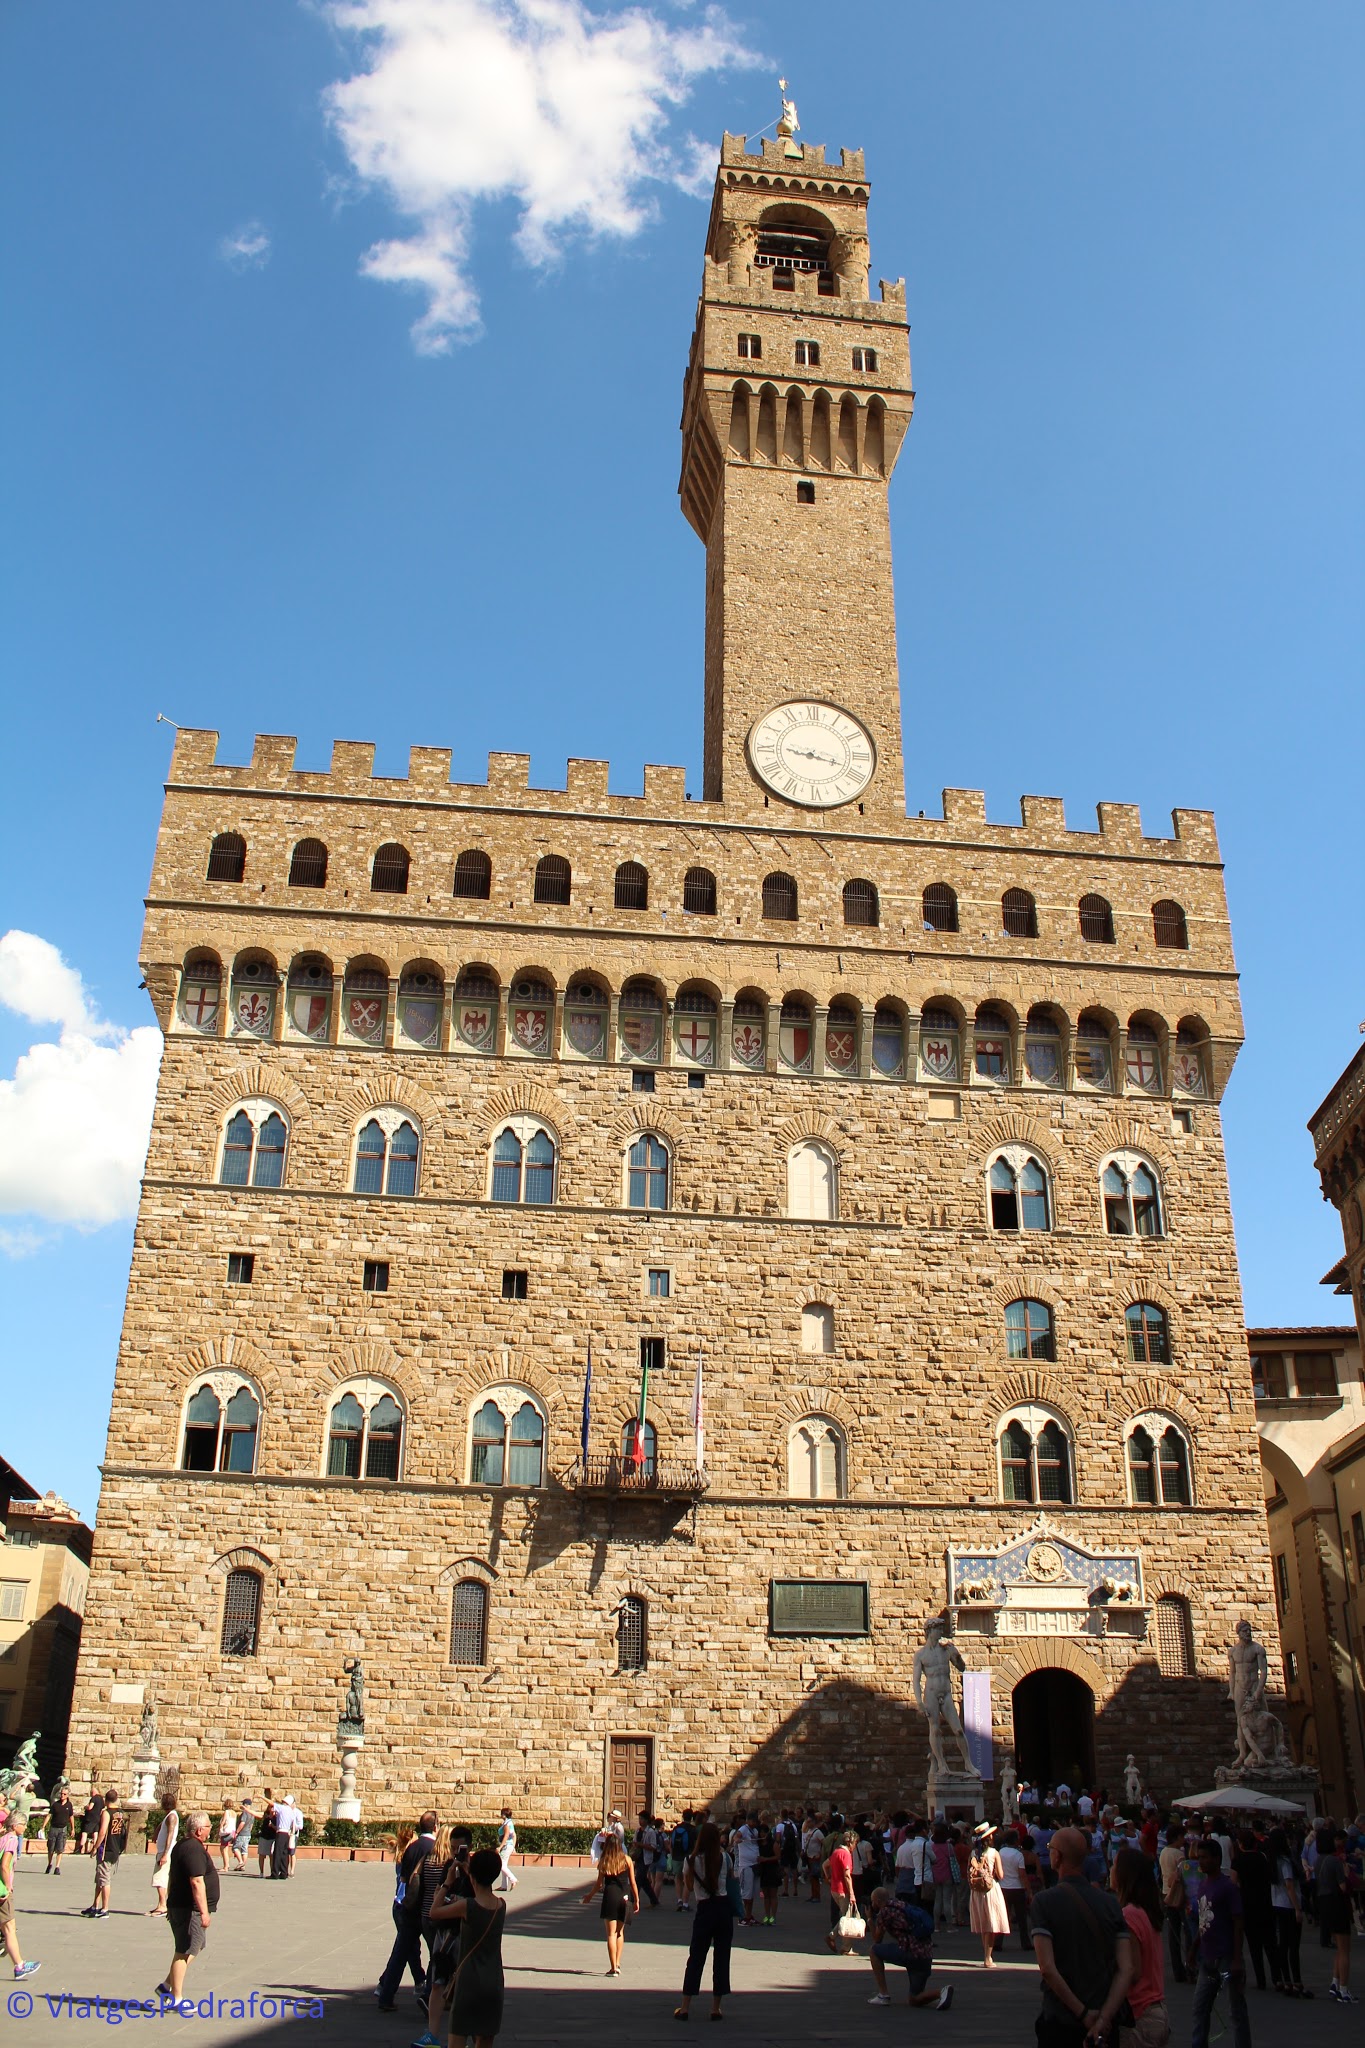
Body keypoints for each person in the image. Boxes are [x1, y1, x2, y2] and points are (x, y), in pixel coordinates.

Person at [1029, 1824, 1133, 2048]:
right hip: (1105, 2022)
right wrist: (1103, 2018)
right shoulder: (1111, 1904)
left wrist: (1084, 2013)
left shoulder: (1044, 1902)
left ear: (1056, 1856)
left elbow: (1047, 1968)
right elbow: (1126, 1969)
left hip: (1061, 2019)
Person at [425, 1846, 506, 2048]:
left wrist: (447, 1882)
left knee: (457, 2039)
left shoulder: (467, 1906)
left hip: (469, 1983)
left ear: (473, 1874)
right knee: (485, 2040)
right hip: (493, 1982)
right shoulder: (501, 1906)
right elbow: (482, 1884)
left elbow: (434, 1912)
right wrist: (471, 1871)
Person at [376, 1809, 437, 2013]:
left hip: (408, 1908)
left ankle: (386, 1995)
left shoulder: (411, 1849)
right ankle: (429, 1995)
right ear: (436, 1826)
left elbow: (403, 1880)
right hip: (428, 1909)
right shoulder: (436, 1849)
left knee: (400, 1954)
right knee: (436, 1954)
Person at [158, 1811, 219, 2013]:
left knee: (197, 1945)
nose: (211, 1830)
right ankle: (176, 1998)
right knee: (183, 1951)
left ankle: (167, 1985)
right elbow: (196, 1881)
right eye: (209, 1826)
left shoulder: (184, 1846)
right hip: (189, 1909)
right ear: (200, 1830)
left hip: (181, 1906)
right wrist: (204, 1912)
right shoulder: (192, 1849)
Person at [1190, 1838, 1249, 2048]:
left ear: (1217, 1859)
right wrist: (1195, 1946)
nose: (1201, 1862)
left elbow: (1238, 1922)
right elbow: (1205, 1919)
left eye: (1205, 1858)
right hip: (1208, 1957)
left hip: (1226, 1956)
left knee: (1236, 2011)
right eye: (1199, 1858)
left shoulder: (1228, 1887)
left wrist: (1236, 1958)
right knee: (1200, 2008)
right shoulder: (1203, 1885)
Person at [1110, 1844, 1169, 2047]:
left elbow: (1132, 1971)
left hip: (1138, 2012)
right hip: (1154, 2008)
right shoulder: (1146, 1911)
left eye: (1114, 1866)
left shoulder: (1129, 1914)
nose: (1110, 1870)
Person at [675, 1819, 733, 2021]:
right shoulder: (725, 1858)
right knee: (722, 1958)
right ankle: (716, 2008)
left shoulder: (690, 1860)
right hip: (723, 1908)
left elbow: (689, 1887)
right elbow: (731, 1879)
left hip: (705, 1909)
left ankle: (684, 2007)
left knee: (696, 1958)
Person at [865, 1885, 953, 2009]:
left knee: (874, 1951)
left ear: (878, 1901)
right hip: (925, 1955)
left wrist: (869, 1919)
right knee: (914, 1999)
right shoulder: (901, 1905)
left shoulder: (885, 1912)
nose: (872, 1904)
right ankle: (941, 1992)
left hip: (910, 1952)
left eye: (873, 1901)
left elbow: (877, 1940)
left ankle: (883, 1995)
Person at [581, 1837, 639, 1976]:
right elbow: (633, 1882)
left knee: (610, 1934)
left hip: (610, 1897)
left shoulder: (604, 1861)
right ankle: (618, 1963)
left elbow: (599, 1884)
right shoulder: (627, 1860)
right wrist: (636, 1899)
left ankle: (613, 1967)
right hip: (626, 1897)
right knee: (620, 1932)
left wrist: (589, 1896)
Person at [1230, 1829, 1275, 1992]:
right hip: (1264, 1901)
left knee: (1254, 1945)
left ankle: (1261, 1979)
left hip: (1247, 1903)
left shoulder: (1237, 1861)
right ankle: (1277, 1977)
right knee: (1270, 1943)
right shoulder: (1262, 1857)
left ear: (1240, 1844)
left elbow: (1233, 1883)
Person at [1316, 1824, 1356, 2003]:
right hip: (1337, 1903)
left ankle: (1335, 1982)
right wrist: (1346, 1874)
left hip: (1324, 1903)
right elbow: (1343, 1887)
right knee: (1345, 1948)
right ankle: (1344, 1989)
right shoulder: (1334, 1861)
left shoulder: (1319, 1860)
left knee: (1339, 1948)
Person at [0, 1805, 40, 1981]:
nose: (25, 1827)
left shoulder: (2, 1838)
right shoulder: (12, 1840)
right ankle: (19, 1966)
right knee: (9, 1928)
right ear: (15, 1825)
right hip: (2, 1890)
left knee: (7, 1928)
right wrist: (8, 1886)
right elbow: (4, 1865)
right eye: (23, 1824)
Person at [1265, 1825, 1306, 1996]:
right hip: (1289, 1905)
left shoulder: (1271, 1861)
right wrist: (1298, 1909)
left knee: (1282, 1944)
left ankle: (1285, 1979)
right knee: (1293, 1946)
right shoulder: (1285, 1861)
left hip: (1277, 1903)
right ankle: (1296, 1981)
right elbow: (1290, 1886)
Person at [968, 1822, 1009, 1967]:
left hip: (977, 1891)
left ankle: (986, 1954)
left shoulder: (973, 1853)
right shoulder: (993, 1853)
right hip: (991, 1890)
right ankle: (988, 1957)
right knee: (991, 1924)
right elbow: (1001, 1875)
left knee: (983, 1924)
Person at [82, 1789, 127, 1919]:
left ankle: (105, 1908)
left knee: (105, 1880)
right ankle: (95, 1906)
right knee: (99, 1879)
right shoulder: (120, 1813)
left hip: (106, 1849)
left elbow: (102, 1832)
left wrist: (95, 1847)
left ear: (105, 1800)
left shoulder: (107, 1813)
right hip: (115, 1848)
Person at [1155, 1824, 1188, 1986]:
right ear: (1177, 1837)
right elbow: (1183, 1874)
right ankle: (1189, 1966)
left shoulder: (1164, 1852)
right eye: (1182, 1837)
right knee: (1187, 1931)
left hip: (1166, 1892)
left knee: (1173, 1933)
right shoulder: (1179, 1854)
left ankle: (1177, 1969)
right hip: (1179, 1893)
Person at [997, 1823, 1032, 1950]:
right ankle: (1025, 1942)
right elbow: (1022, 1875)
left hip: (1003, 1887)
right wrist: (1029, 1891)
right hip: (1017, 1888)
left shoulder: (1000, 1852)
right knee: (1022, 1917)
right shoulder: (1018, 1855)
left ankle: (998, 1942)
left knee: (1003, 1915)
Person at [824, 1827, 859, 1954]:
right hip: (843, 1890)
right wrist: (852, 1893)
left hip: (834, 1889)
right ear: (851, 1843)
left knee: (846, 1916)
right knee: (847, 1918)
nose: (855, 1846)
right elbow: (847, 1875)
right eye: (855, 1843)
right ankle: (841, 1943)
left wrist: (828, 1877)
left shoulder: (836, 1852)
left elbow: (825, 1865)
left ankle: (845, 1946)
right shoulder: (846, 1854)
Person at [149, 1796, 179, 1918]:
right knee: (160, 1879)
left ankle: (163, 1905)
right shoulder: (170, 1815)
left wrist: (165, 1854)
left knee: (159, 1879)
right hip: (163, 1851)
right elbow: (162, 1825)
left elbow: (170, 1835)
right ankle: (161, 1904)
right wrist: (156, 1834)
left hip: (165, 1852)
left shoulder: (171, 1816)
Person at [756, 1821, 782, 1925]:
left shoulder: (773, 1843)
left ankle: (773, 1917)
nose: (762, 1834)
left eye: (764, 1832)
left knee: (773, 1895)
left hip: (772, 1870)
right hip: (763, 1871)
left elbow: (778, 1856)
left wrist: (765, 1859)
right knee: (766, 1896)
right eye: (760, 1832)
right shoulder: (758, 1844)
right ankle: (767, 1915)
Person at [45, 1787, 73, 1875]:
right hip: (53, 1828)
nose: (62, 1795)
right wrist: (43, 1826)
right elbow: (49, 1815)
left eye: (64, 1794)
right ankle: (49, 1864)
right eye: (61, 1794)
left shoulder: (69, 1805)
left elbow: (71, 1817)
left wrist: (73, 1829)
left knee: (60, 1849)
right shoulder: (55, 1804)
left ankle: (57, 1867)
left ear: (68, 1795)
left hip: (63, 1829)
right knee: (51, 1849)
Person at [495, 1807, 518, 1894]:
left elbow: (506, 1835)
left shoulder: (506, 1824)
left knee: (500, 1864)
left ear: (504, 1814)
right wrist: (513, 1846)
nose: (501, 1815)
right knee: (504, 1865)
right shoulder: (509, 1822)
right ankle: (504, 1886)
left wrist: (500, 1847)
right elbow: (514, 1835)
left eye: (502, 1813)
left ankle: (513, 1879)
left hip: (506, 1846)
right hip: (509, 1845)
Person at [257, 1790, 276, 1877]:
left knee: (271, 1856)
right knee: (262, 1855)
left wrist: (272, 1826)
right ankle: (261, 1872)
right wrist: (246, 1810)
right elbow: (256, 1814)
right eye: (270, 1807)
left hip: (272, 1838)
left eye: (273, 1808)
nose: (272, 1809)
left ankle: (272, 1872)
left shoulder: (277, 1817)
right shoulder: (265, 1815)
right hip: (264, 1837)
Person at [230, 1801, 253, 1872]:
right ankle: (243, 1866)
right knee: (244, 1850)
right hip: (248, 1834)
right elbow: (251, 1825)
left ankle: (241, 1862)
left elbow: (242, 1823)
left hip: (242, 1834)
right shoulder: (252, 1814)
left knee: (235, 1848)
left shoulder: (245, 1813)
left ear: (245, 1805)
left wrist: (237, 1832)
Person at [216, 1801, 237, 1872]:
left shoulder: (226, 1812)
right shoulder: (234, 1813)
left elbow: (223, 1822)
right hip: (232, 1832)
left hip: (226, 1832)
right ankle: (227, 1864)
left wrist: (219, 1830)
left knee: (223, 1849)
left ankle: (225, 1867)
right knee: (226, 1848)